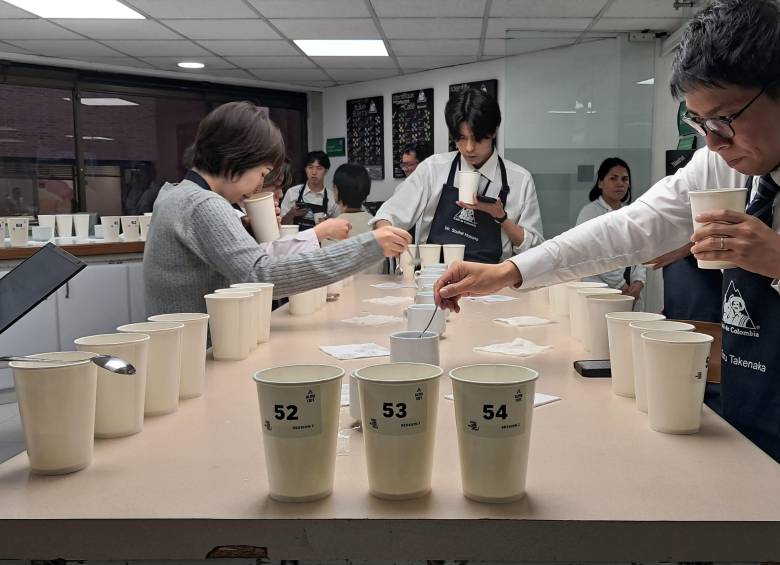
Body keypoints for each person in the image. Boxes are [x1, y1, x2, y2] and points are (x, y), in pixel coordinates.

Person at [434, 0, 780, 462]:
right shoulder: (722, 168)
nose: (714, 142)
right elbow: (627, 229)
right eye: (699, 124)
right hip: (747, 410)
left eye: (725, 120)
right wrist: (510, 272)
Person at [143, 101, 411, 316]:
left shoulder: (176, 194)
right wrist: (369, 246)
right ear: (238, 158)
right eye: (263, 172)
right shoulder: (204, 203)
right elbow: (261, 274)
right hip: (198, 353)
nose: (261, 183)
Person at [372, 89, 544, 264]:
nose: (469, 148)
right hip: (434, 279)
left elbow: (535, 250)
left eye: (477, 139)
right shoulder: (433, 169)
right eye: (461, 138)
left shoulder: (520, 180)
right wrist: (386, 232)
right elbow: (389, 214)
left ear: (492, 133)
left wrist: (502, 218)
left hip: (490, 283)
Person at [576, 158, 647, 309]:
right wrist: (621, 285)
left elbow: (641, 252)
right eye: (613, 178)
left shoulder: (631, 214)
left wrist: (639, 282)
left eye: (624, 179)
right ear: (600, 183)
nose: (620, 183)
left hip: (629, 293)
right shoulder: (590, 213)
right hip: (598, 291)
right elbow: (594, 256)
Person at [332, 163, 384, 273]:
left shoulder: (332, 229)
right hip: (376, 288)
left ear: (336, 190)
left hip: (343, 290)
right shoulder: (377, 224)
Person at [280, 150, 339, 230]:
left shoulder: (333, 198)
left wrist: (328, 224)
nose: (314, 172)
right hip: (296, 241)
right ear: (305, 169)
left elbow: (338, 229)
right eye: (310, 167)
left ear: (326, 171)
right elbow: (280, 226)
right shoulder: (292, 193)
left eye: (319, 168)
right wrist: (291, 214)